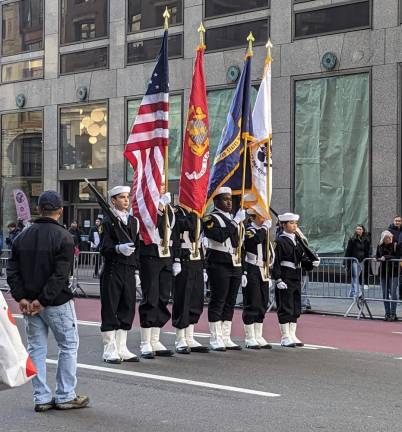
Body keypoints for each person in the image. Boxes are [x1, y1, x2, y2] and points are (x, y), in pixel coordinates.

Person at [6, 190, 89, 412]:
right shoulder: (64, 237)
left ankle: (41, 397)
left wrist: (21, 297)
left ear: (39, 209)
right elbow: (61, 275)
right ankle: (65, 394)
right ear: (60, 211)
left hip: (29, 302)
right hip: (56, 302)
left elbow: (11, 270)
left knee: (36, 349)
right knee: (68, 345)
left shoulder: (21, 236)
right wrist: (43, 300)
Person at [99, 186, 140, 363]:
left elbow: (136, 248)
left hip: (129, 270)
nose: (125, 200)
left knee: (127, 307)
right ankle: (109, 349)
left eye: (127, 197)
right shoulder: (107, 221)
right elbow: (104, 248)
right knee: (110, 308)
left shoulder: (133, 221)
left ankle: (122, 347)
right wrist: (117, 248)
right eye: (121, 197)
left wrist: (137, 270)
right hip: (112, 269)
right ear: (113, 201)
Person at [203, 187, 246, 351]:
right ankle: (215, 337)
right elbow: (219, 237)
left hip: (235, 263)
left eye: (230, 199)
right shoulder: (210, 218)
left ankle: (226, 336)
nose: (229, 202)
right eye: (225, 199)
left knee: (230, 301)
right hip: (219, 262)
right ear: (216, 201)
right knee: (218, 300)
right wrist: (234, 222)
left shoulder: (235, 219)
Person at [138, 191, 180, 359]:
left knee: (163, 297)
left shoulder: (169, 209)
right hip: (150, 255)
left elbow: (173, 234)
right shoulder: (146, 206)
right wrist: (160, 210)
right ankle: (145, 342)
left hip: (166, 256)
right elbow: (152, 225)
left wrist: (176, 258)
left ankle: (155, 339)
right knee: (151, 297)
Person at [272, 212, 319, 348]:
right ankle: (285, 336)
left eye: (295, 223)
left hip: (295, 276)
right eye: (291, 223)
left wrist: (311, 263)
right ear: (283, 225)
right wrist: (278, 279)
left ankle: (292, 334)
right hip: (285, 276)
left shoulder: (298, 241)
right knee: (285, 306)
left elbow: (302, 260)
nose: (294, 226)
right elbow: (276, 262)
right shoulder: (279, 241)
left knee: (295, 307)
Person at [172, 206, 209, 354]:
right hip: (184, 259)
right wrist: (176, 260)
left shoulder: (197, 213)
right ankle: (180, 338)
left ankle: (190, 336)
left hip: (197, 260)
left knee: (195, 298)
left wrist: (204, 266)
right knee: (183, 298)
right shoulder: (177, 213)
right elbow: (183, 228)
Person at [242, 209, 274, 349]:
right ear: (253, 217)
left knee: (262, 303)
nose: (264, 219)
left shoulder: (263, 231)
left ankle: (258, 335)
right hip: (252, 268)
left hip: (264, 270)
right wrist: (265, 227)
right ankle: (250, 337)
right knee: (252, 302)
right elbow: (254, 241)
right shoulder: (249, 230)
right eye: (261, 216)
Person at [376, 230, 400, 321]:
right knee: (385, 293)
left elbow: (398, 257)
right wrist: (376, 258)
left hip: (394, 272)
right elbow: (377, 255)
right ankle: (387, 313)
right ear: (383, 238)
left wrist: (386, 257)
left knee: (393, 292)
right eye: (387, 237)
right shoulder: (380, 245)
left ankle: (393, 313)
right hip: (383, 272)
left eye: (390, 237)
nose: (389, 239)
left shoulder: (395, 245)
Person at [345, 225, 371, 297]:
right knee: (355, 276)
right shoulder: (352, 239)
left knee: (355, 277)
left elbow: (367, 251)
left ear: (363, 230)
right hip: (354, 260)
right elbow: (348, 251)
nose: (358, 230)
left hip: (362, 261)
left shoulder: (366, 240)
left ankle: (351, 292)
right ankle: (358, 293)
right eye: (357, 229)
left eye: (360, 229)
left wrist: (367, 260)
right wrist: (345, 262)